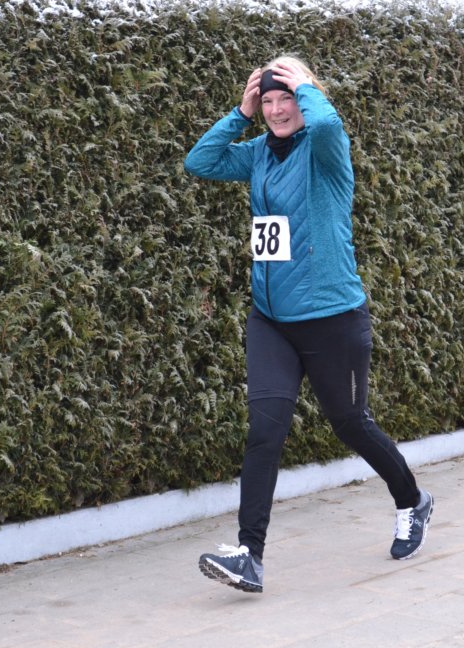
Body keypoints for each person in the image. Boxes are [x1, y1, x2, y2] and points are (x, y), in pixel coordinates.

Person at [184, 56, 433, 594]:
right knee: (264, 432)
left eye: (286, 100)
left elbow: (328, 125)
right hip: (271, 321)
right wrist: (240, 113)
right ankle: (249, 555)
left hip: (331, 319)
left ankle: (413, 501)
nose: (276, 111)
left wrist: (306, 88)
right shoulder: (257, 153)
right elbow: (200, 162)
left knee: (350, 422)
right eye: (268, 102)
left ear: (304, 99)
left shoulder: (325, 151)